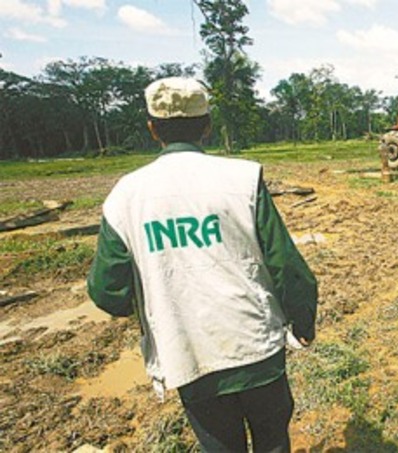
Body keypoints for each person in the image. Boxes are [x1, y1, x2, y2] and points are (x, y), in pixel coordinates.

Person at [87, 77, 318, 452]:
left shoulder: (125, 195)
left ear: (152, 128)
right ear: (208, 125)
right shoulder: (242, 178)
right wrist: (303, 320)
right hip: (256, 346)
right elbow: (287, 267)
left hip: (188, 351)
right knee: (273, 440)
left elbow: (108, 292)